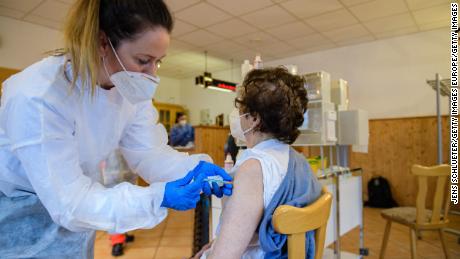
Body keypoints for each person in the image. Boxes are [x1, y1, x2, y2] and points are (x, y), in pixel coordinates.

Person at [0, 1, 232, 258]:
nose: (151, 74)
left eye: (158, 62)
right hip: (20, 216)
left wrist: (195, 169)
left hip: (75, 215)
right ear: (102, 43)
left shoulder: (128, 89)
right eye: (144, 60)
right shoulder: (38, 97)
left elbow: (148, 153)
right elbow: (70, 203)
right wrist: (157, 197)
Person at [194, 67, 322, 259]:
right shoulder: (297, 160)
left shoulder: (253, 168)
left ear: (254, 119)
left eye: (240, 110)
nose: (237, 115)